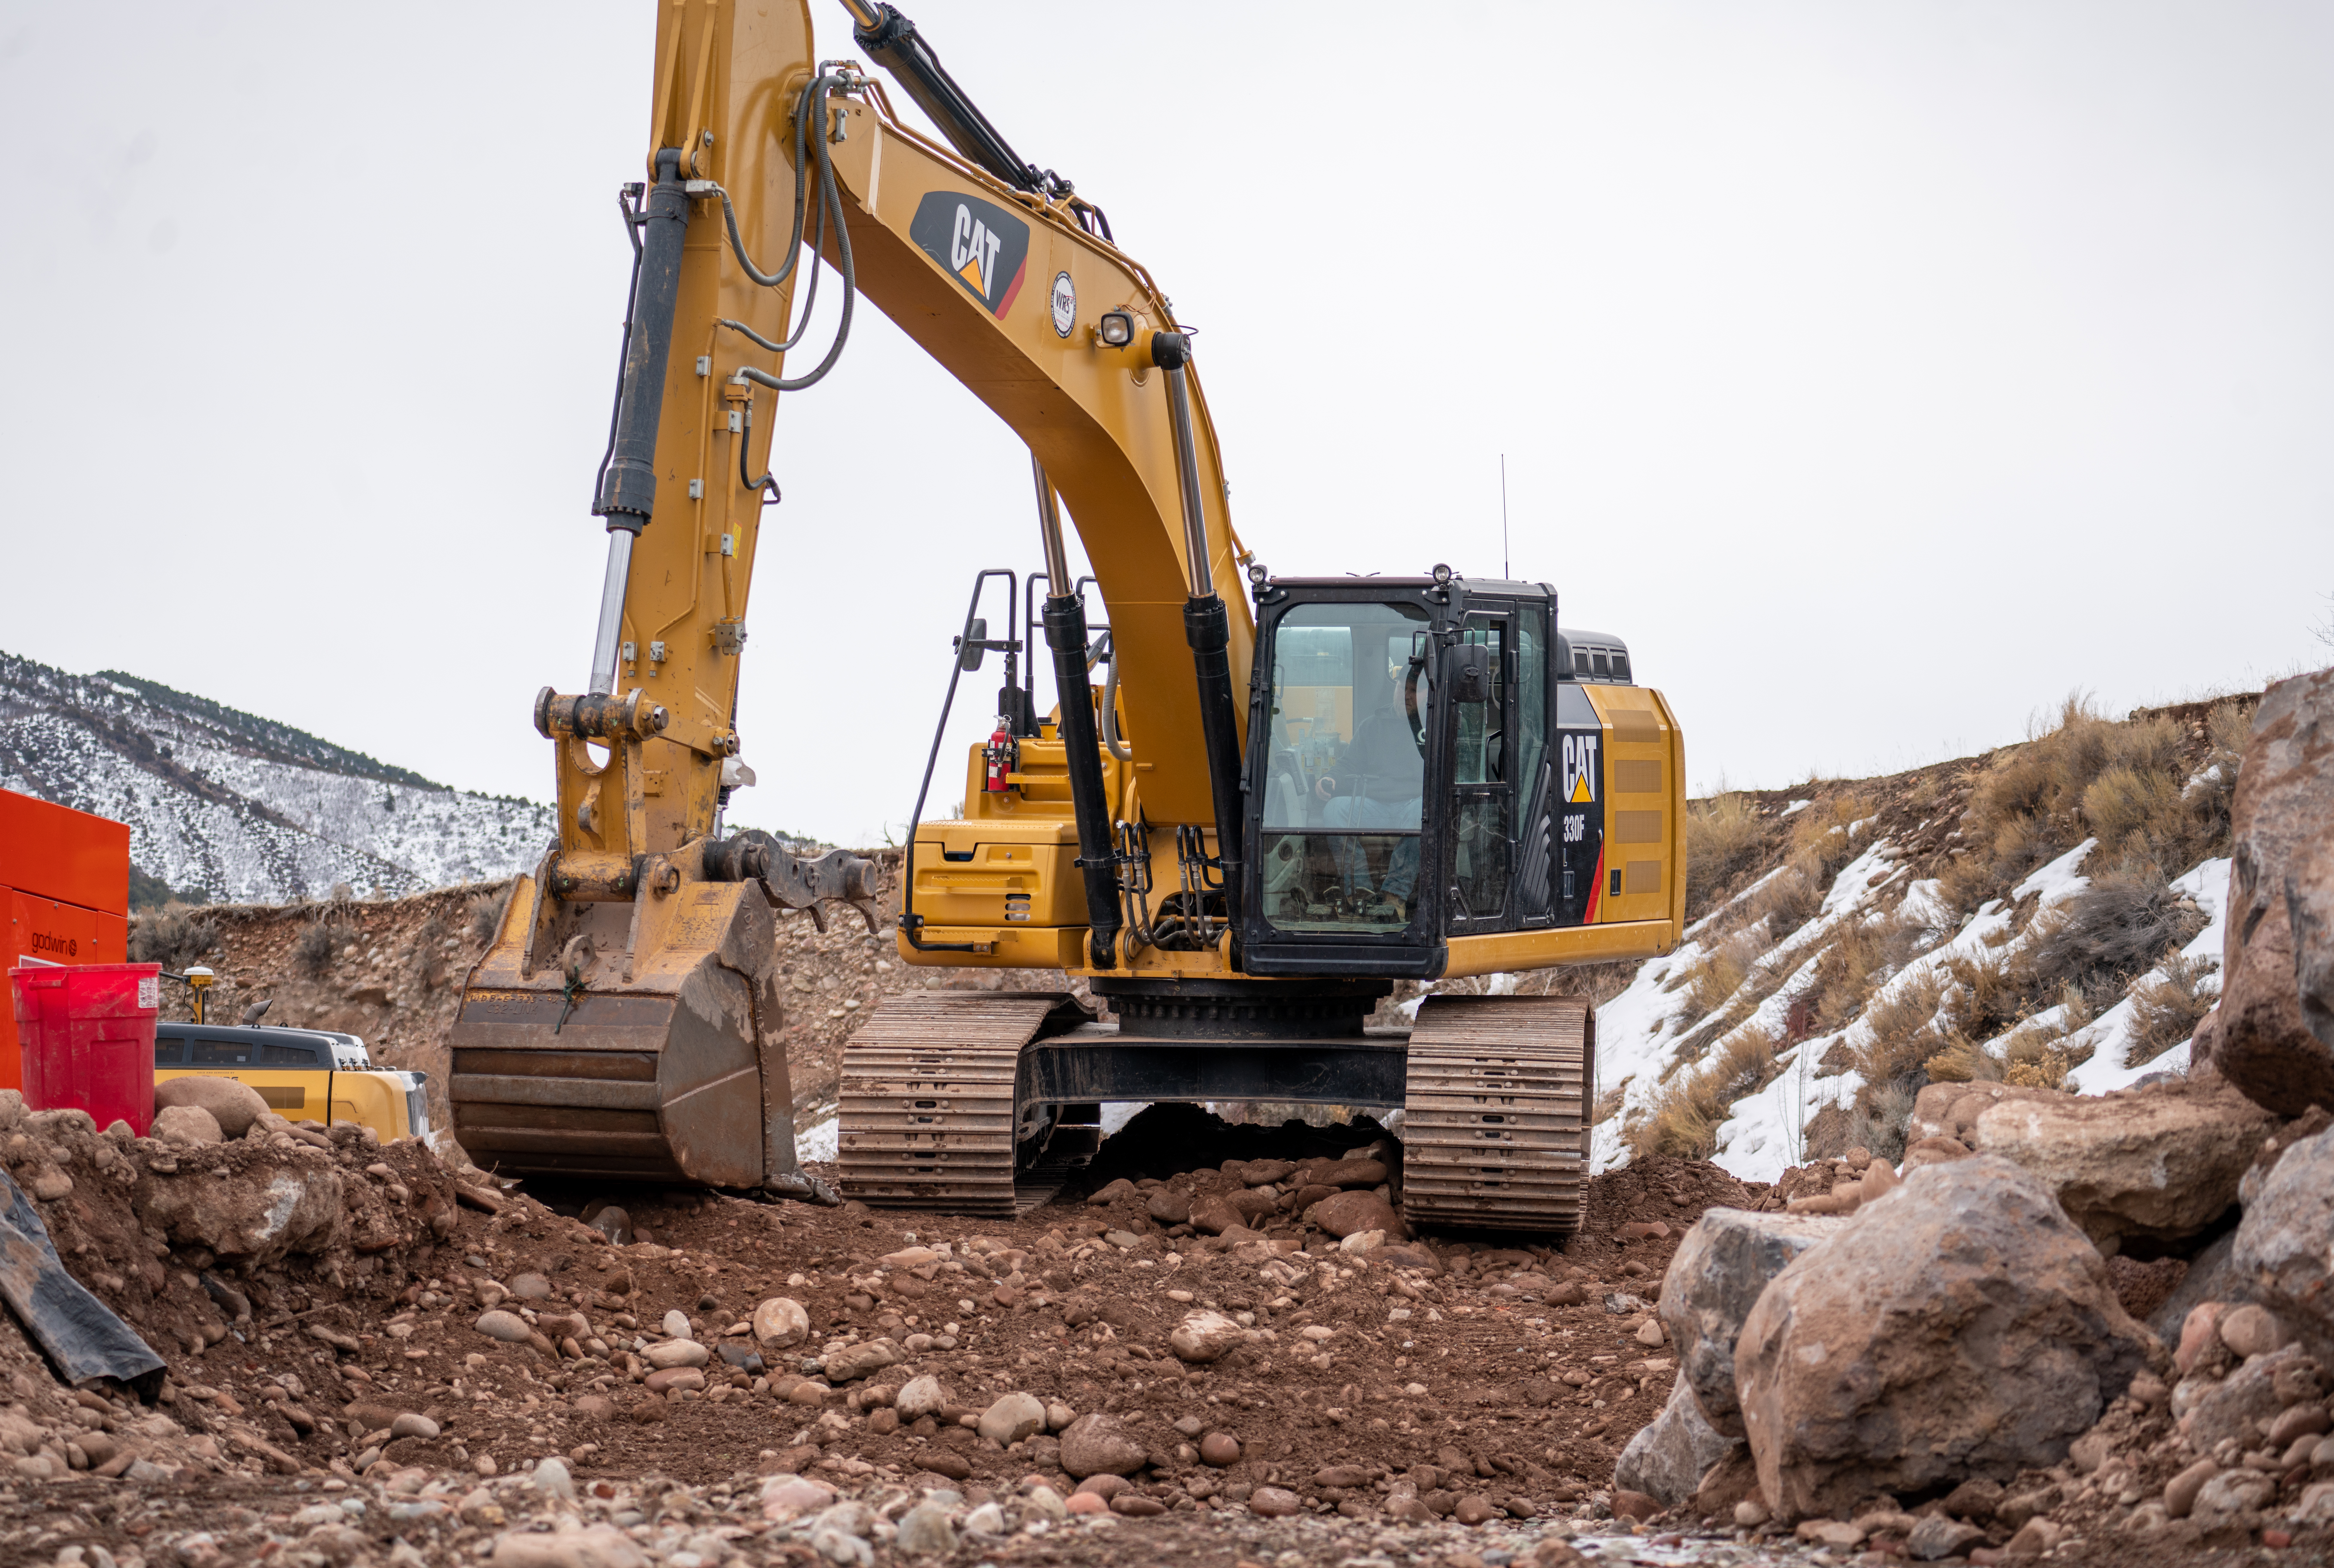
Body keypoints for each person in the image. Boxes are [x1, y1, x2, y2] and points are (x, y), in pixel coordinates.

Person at [1313, 651, 1424, 917]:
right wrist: (1331, 778)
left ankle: (1395, 894)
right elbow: (1349, 764)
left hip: (1414, 805)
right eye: (1401, 687)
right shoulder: (1372, 726)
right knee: (1335, 811)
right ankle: (1359, 891)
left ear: (1427, 696)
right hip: (1375, 805)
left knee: (1427, 814)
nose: (1405, 694)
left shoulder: (1433, 728)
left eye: (1413, 690)